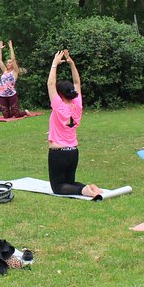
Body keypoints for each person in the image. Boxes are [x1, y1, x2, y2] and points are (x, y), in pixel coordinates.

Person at [47, 50, 102, 197]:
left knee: (58, 188)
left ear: (60, 94)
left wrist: (55, 63)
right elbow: (77, 82)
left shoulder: (59, 105)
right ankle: (89, 187)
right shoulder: (77, 103)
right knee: (69, 183)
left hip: (58, 153)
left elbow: (50, 83)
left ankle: (84, 190)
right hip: (73, 152)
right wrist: (71, 63)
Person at [0, 40, 29, 118]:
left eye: (10, 62)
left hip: (11, 94)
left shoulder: (15, 72)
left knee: (17, 115)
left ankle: (25, 112)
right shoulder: (4, 70)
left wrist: (11, 48)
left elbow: (13, 59)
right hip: (2, 94)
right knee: (6, 116)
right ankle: (12, 112)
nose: (8, 63)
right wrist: (0, 49)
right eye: (7, 62)